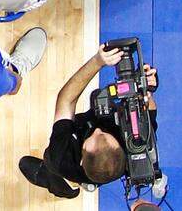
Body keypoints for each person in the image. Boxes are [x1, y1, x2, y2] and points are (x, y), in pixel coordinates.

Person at [18, 44, 158, 197]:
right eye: (104, 135)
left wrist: (97, 61)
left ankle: (62, 187)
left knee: (55, 170)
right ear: (122, 150)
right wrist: (145, 87)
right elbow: (149, 109)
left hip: (61, 166)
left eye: (94, 136)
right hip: (106, 151)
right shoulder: (136, 142)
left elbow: (66, 100)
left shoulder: (61, 157)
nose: (98, 130)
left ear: (82, 156)